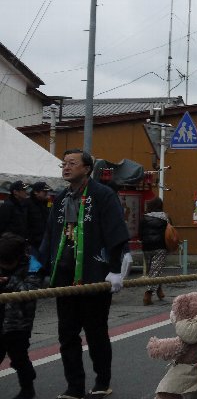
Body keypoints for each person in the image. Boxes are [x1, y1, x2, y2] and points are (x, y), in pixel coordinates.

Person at [39, 149, 129, 399]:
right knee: (67, 334)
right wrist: (41, 268)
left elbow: (115, 232)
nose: (66, 167)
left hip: (94, 274)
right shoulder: (60, 198)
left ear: (87, 168)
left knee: (95, 331)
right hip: (65, 276)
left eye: (72, 163)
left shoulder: (103, 195)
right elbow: (50, 235)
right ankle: (74, 386)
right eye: (64, 164)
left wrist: (114, 270)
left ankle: (102, 381)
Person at [0, 233, 42, 399]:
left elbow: (29, 292)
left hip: (19, 323)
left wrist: (9, 281)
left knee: (18, 357)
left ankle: (27, 388)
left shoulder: (33, 266)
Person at [139, 197, 169, 305]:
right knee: (155, 270)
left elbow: (140, 233)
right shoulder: (165, 217)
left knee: (152, 270)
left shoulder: (144, 218)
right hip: (160, 246)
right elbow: (170, 231)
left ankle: (159, 290)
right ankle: (148, 294)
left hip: (146, 247)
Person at [25, 182, 51, 256]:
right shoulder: (27, 204)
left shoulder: (44, 204)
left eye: (47, 191)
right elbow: (23, 222)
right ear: (36, 192)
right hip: (32, 242)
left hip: (44, 240)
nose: (47, 194)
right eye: (44, 192)